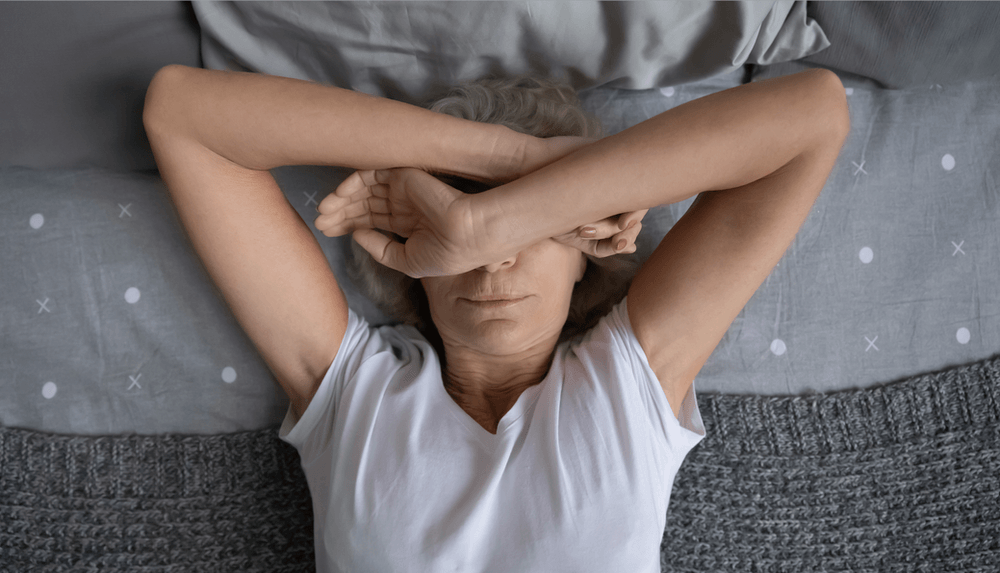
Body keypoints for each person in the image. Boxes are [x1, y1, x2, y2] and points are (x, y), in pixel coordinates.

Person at [143, 64, 849, 572]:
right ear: (413, 267)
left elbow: (814, 112)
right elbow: (181, 112)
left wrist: (492, 215)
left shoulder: (629, 386)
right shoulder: (351, 398)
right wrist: (513, 161)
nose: (492, 260)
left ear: (586, 259)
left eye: (533, 227)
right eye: (456, 231)